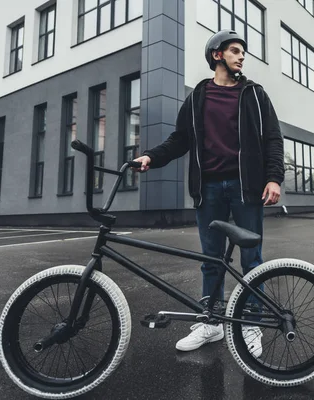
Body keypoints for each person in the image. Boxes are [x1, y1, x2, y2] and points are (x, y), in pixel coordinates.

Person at [132, 29, 284, 354]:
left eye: (243, 52)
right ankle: (211, 323)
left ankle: (252, 326)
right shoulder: (199, 97)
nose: (241, 56)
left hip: (246, 190)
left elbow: (272, 138)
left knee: (251, 260)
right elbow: (180, 139)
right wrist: (150, 157)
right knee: (210, 260)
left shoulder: (255, 95)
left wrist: (274, 178)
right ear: (217, 55)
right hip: (208, 189)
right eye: (234, 50)